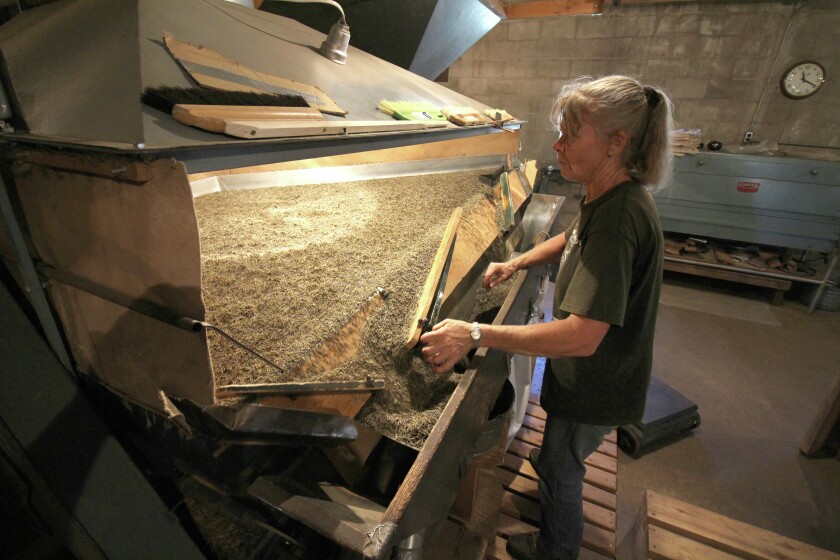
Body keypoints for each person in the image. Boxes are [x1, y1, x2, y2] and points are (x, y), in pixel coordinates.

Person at [419, 75, 673, 560]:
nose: (556, 145)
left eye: (570, 135)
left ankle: (556, 550)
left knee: (560, 471)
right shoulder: (609, 193)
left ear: (615, 144)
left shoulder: (621, 219)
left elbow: (580, 337)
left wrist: (473, 333)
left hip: (596, 386)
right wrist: (519, 260)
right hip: (589, 378)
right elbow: (574, 236)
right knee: (558, 456)